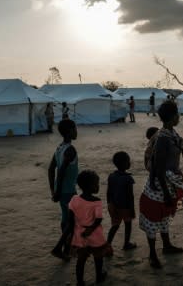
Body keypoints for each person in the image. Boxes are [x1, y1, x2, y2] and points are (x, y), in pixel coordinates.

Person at [139, 100, 183, 269]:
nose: (179, 117)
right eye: (177, 114)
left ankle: (166, 246)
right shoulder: (162, 138)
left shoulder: (170, 133)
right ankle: (152, 254)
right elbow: (159, 169)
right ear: (173, 116)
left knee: (165, 216)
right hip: (160, 187)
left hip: (168, 184)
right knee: (154, 219)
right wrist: (166, 192)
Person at [65, 170, 111, 286]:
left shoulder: (74, 199)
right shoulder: (97, 202)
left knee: (81, 260)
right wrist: (91, 228)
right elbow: (99, 219)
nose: (98, 186)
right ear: (90, 186)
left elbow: (70, 219)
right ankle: (99, 276)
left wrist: (70, 234)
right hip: (94, 233)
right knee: (98, 256)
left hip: (79, 233)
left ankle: (80, 282)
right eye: (96, 183)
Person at [48, 119, 79, 260]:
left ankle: (66, 249)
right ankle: (59, 248)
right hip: (68, 191)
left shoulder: (59, 148)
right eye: (74, 129)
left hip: (61, 190)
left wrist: (53, 190)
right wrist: (58, 190)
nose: (76, 131)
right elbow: (60, 171)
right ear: (69, 131)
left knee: (66, 218)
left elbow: (50, 169)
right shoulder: (70, 150)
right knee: (72, 221)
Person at [106, 151, 137, 250]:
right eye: (128, 161)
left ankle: (108, 244)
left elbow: (108, 192)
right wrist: (132, 209)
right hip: (125, 207)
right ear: (124, 163)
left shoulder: (111, 176)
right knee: (128, 224)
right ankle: (126, 244)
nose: (129, 163)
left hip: (113, 205)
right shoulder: (128, 178)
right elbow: (130, 196)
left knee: (114, 226)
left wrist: (109, 204)